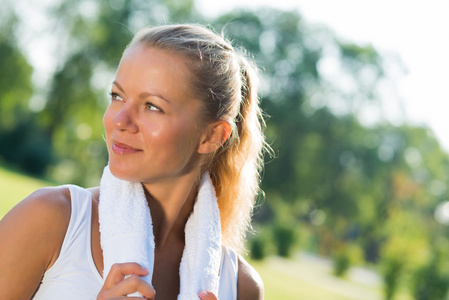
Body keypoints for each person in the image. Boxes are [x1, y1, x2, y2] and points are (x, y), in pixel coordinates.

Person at [0, 23, 268, 299]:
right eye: (117, 96)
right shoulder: (50, 220)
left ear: (211, 136)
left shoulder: (240, 287)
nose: (119, 120)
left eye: (152, 106)